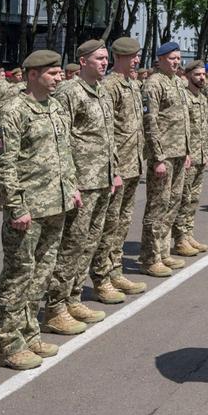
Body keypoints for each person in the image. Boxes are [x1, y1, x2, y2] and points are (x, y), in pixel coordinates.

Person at [0, 50, 79, 371]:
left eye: (59, 73)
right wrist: (16, 207)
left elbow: (64, 154)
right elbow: (3, 162)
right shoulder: (13, 111)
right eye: (52, 73)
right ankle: (8, 344)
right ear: (31, 75)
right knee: (18, 276)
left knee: (41, 275)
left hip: (55, 204)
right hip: (27, 208)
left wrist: (71, 190)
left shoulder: (54, 107)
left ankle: (29, 334)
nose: (59, 78)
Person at [44, 39, 119, 324]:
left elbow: (107, 135)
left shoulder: (101, 91)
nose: (104, 63)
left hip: (101, 179)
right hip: (81, 182)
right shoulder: (69, 92)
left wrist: (114, 172)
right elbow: (60, 140)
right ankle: (56, 307)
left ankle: (73, 298)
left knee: (89, 242)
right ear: (83, 61)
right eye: (99, 58)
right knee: (71, 245)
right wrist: (69, 183)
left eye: (106, 58)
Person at [93, 37, 149, 299]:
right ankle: (102, 276)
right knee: (109, 225)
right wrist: (112, 168)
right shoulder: (110, 86)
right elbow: (107, 132)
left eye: (138, 56)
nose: (137, 60)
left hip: (133, 163)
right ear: (121, 58)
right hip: (117, 167)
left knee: (123, 222)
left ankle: (115, 271)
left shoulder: (132, 83)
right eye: (133, 57)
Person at [139, 42, 195, 278]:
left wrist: (188, 150)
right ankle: (150, 258)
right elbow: (150, 123)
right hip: (164, 155)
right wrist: (158, 157)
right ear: (160, 59)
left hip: (180, 153)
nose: (176, 62)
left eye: (178, 58)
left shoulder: (178, 83)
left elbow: (183, 120)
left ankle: (163, 252)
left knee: (173, 204)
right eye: (172, 58)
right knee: (157, 207)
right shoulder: (154, 84)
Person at [173, 60, 208, 257]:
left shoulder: (201, 98)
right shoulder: (184, 98)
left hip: (201, 155)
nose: (202, 78)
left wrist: (206, 153)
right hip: (189, 156)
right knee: (184, 199)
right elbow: (181, 130)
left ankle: (188, 234)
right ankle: (179, 239)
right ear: (187, 76)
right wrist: (186, 153)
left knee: (194, 199)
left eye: (203, 74)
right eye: (197, 75)